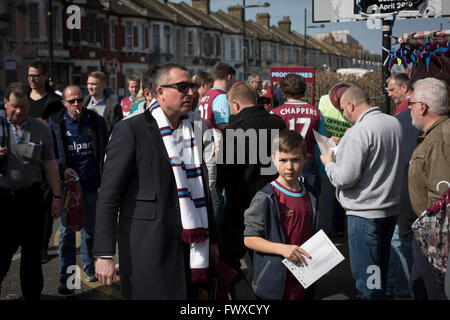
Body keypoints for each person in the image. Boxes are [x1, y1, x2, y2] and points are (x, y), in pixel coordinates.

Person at [93, 64, 218, 299]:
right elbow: (109, 195)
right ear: (160, 92)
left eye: (192, 86)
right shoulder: (131, 130)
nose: (191, 92)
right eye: (183, 87)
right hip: (149, 248)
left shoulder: (193, 130)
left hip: (188, 248)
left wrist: (212, 239)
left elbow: (201, 189)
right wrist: (104, 254)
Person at [320, 86, 406, 300]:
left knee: (369, 275)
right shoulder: (393, 122)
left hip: (364, 213)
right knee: (380, 270)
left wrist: (329, 164)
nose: (343, 114)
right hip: (390, 209)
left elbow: (344, 178)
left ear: (350, 105)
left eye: (342, 109)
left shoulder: (359, 130)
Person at [216, 81, 286, 299]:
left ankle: (246, 298)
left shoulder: (235, 130)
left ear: (235, 104)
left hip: (241, 202)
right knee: (263, 255)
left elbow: (224, 174)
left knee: (226, 256)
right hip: (273, 199)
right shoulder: (278, 123)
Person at [0, 82, 63, 300]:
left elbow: (50, 163)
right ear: (6, 103)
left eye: (24, 106)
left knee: (32, 254)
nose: (19, 111)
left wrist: (57, 196)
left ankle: (32, 295)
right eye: (14, 106)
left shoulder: (40, 128)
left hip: (31, 197)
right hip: (3, 199)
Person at [47, 85, 108, 294]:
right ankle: (68, 280)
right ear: (64, 103)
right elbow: (50, 156)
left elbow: (104, 150)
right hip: (67, 191)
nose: (76, 105)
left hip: (91, 185)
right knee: (66, 234)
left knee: (89, 232)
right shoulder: (56, 124)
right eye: (71, 101)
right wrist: (63, 170)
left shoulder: (95, 122)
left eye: (79, 100)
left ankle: (90, 268)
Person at [243, 130, 319, 300]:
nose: (289, 166)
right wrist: (283, 249)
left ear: (305, 159)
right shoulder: (266, 197)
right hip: (275, 284)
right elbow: (249, 238)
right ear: (273, 160)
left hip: (305, 280)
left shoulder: (311, 195)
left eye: (295, 160)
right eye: (283, 160)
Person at [408, 77, 450, 300]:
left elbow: (443, 198)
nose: (410, 109)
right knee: (419, 286)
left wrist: (431, 240)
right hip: (427, 231)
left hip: (434, 236)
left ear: (422, 107)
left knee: (433, 291)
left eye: (411, 103)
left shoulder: (440, 139)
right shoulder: (435, 135)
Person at [27, 60, 65, 263]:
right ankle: (28, 243)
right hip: (24, 159)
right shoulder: (23, 98)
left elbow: (59, 126)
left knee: (45, 206)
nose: (32, 79)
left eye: (36, 75)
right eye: (29, 75)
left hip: (47, 159)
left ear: (44, 76)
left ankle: (42, 245)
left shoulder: (54, 101)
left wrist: (47, 124)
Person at [271, 74, 326, 196]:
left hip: (283, 163)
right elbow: (323, 146)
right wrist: (321, 172)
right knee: (311, 204)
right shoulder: (316, 113)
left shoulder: (275, 113)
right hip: (307, 163)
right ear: (303, 90)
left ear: (283, 91)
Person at [317, 82, 352, 236]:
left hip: (346, 150)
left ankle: (339, 227)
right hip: (327, 148)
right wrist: (327, 139)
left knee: (341, 188)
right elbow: (318, 124)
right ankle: (329, 225)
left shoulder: (354, 101)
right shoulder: (324, 100)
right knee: (328, 191)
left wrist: (347, 137)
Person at [196, 62, 234, 131]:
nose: (233, 82)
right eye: (233, 79)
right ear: (229, 77)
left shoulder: (207, 95)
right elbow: (223, 125)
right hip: (216, 139)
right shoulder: (221, 96)